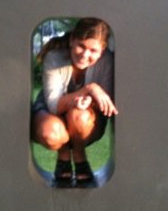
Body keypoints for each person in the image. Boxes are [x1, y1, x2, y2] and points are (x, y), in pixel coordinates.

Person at [31, 18, 117, 185]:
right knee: (51, 133)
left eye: (93, 50)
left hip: (83, 120)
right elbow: (54, 105)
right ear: (72, 41)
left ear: (102, 49)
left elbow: (106, 104)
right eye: (81, 46)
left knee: (79, 115)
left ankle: (79, 157)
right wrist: (90, 89)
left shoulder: (107, 61)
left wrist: (87, 100)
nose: (85, 55)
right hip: (51, 113)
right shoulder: (54, 58)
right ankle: (63, 154)